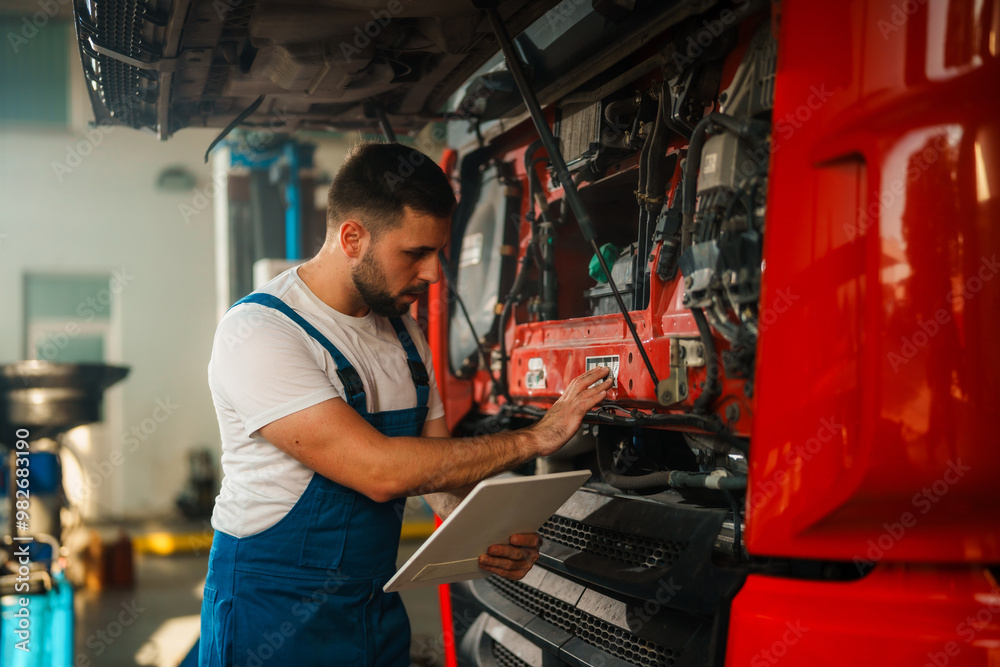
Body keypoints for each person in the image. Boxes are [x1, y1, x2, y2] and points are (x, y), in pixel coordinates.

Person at [199, 141, 611, 666]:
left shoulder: (404, 334)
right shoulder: (260, 332)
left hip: (372, 609)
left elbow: (435, 475)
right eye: (415, 253)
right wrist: (537, 438)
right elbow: (379, 471)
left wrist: (483, 534)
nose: (434, 274)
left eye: (438, 252)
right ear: (352, 237)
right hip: (272, 615)